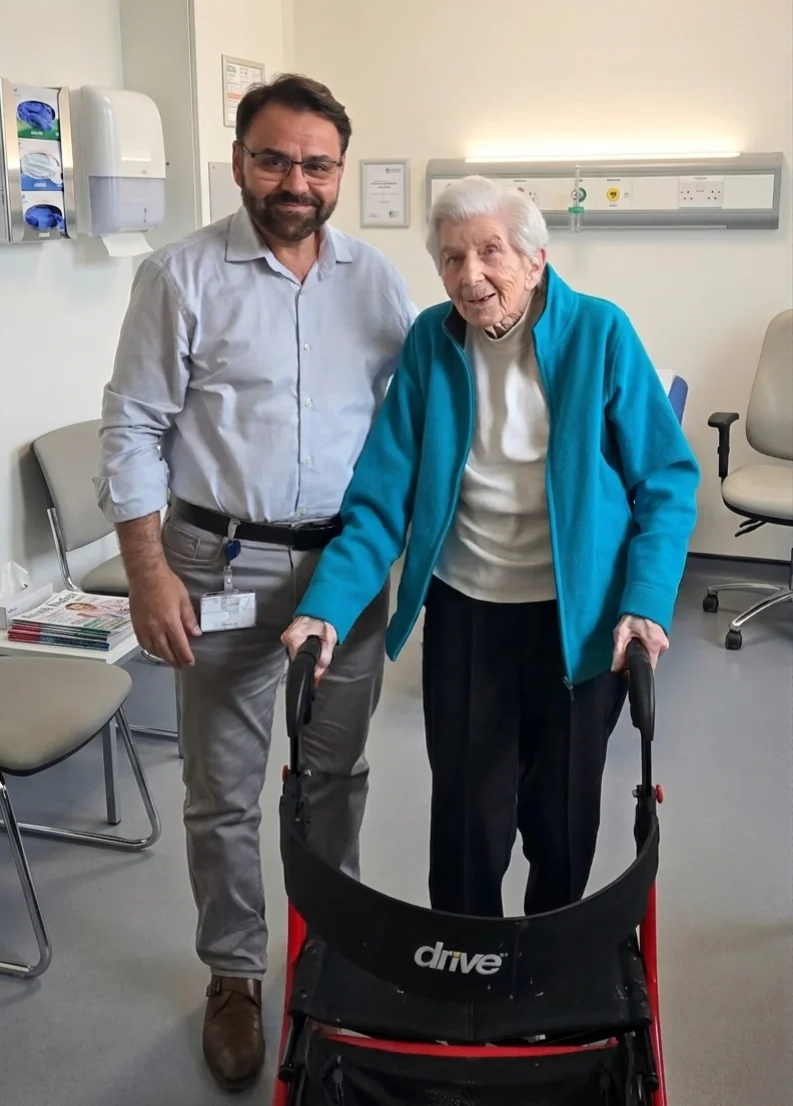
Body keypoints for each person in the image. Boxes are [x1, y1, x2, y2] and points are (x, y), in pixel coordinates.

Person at [95, 74, 415, 1093]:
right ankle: (234, 972)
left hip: (346, 566)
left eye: (316, 163)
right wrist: (146, 569)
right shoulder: (179, 275)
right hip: (215, 560)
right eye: (274, 158)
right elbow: (134, 425)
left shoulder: (376, 280)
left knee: (335, 775)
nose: (294, 181)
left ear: (338, 172)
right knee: (222, 791)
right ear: (239, 160)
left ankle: (331, 949)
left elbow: (412, 422)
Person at [283, 175, 700, 923]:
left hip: (579, 623)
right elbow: (382, 498)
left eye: (490, 252)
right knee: (468, 823)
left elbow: (666, 483)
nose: (470, 276)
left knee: (562, 814)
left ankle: (541, 971)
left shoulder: (599, 334)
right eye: (450, 258)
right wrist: (327, 608)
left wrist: (645, 603)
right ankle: (469, 980)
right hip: (469, 611)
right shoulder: (430, 344)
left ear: (535, 260)